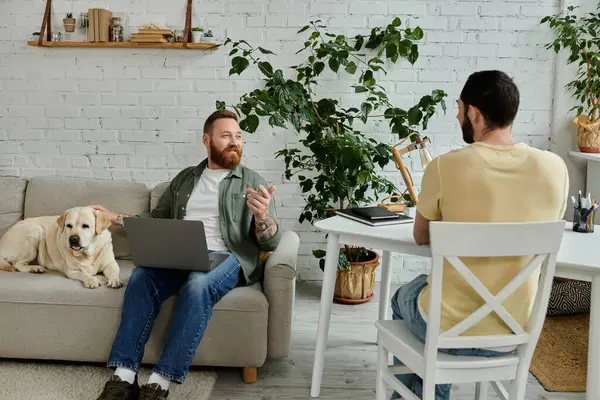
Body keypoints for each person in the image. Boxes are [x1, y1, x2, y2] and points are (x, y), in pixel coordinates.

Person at [390, 70, 569, 400]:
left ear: (473, 112)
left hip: (446, 328)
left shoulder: (445, 167)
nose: (458, 115)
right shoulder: (555, 169)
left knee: (403, 296)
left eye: (458, 107)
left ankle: (424, 392)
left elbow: (421, 236)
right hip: (515, 331)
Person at [91, 109, 282, 400]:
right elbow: (156, 218)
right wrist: (115, 217)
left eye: (239, 136)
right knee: (141, 276)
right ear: (207, 140)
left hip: (226, 256)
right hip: (180, 254)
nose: (235, 142)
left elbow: (271, 242)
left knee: (198, 284)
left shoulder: (251, 181)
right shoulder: (184, 180)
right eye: (226, 135)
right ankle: (124, 376)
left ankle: (160, 380)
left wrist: (262, 218)